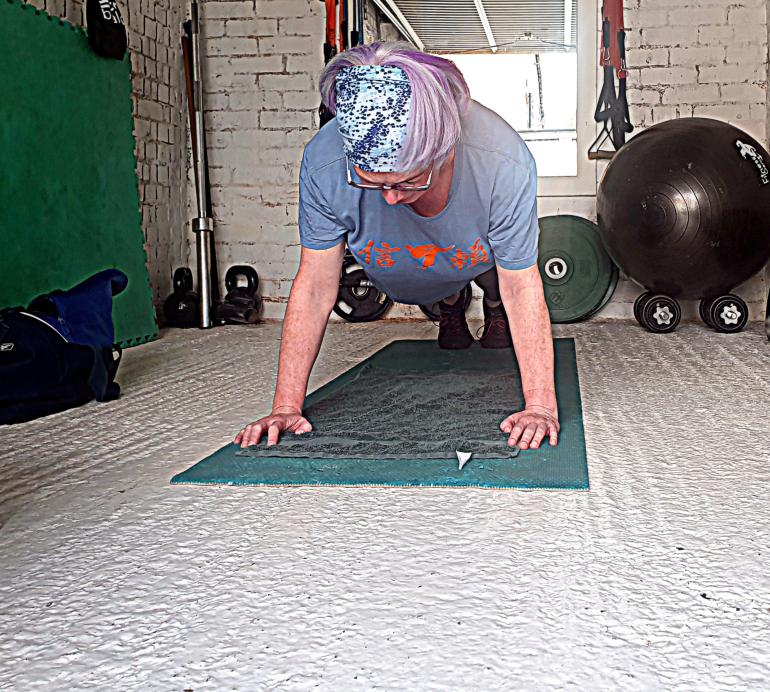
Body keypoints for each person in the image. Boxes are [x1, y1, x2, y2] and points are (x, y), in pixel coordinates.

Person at [235, 42, 559, 452]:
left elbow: (521, 285)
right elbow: (315, 286)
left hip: (474, 260)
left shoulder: (502, 160)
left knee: (499, 278)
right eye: (374, 184)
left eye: (408, 181)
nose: (390, 199)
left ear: (445, 151)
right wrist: (285, 406)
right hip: (394, 271)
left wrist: (541, 406)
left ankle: (486, 307)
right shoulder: (324, 163)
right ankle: (450, 306)